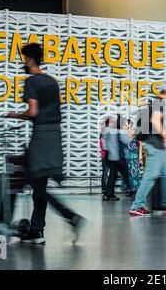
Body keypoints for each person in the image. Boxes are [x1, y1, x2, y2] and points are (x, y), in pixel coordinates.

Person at [7, 43, 84, 244]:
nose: (23, 63)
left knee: (35, 182)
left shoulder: (32, 82)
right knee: (39, 185)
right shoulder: (52, 81)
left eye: (24, 59)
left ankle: (70, 217)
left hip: (41, 135)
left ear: (30, 60)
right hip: (54, 135)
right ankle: (37, 230)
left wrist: (15, 115)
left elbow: (33, 112)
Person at [129, 82, 166, 216]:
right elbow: (156, 121)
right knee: (151, 176)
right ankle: (136, 206)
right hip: (155, 145)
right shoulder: (159, 103)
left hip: (157, 145)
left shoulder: (156, 104)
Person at [104, 116, 132, 201]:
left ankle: (108, 194)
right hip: (119, 157)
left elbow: (105, 144)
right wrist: (128, 132)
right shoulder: (120, 131)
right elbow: (127, 141)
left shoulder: (108, 131)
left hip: (110, 157)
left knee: (113, 175)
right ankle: (132, 190)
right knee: (126, 174)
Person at [125, 119, 141, 197]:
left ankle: (136, 190)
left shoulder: (133, 131)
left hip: (134, 154)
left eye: (126, 124)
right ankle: (131, 190)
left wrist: (140, 154)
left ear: (130, 125)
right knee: (129, 173)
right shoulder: (124, 132)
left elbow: (140, 143)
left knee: (135, 173)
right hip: (128, 155)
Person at [100, 117, 112, 195]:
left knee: (106, 172)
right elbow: (103, 144)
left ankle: (105, 189)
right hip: (107, 155)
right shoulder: (106, 131)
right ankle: (105, 190)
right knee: (107, 172)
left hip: (107, 154)